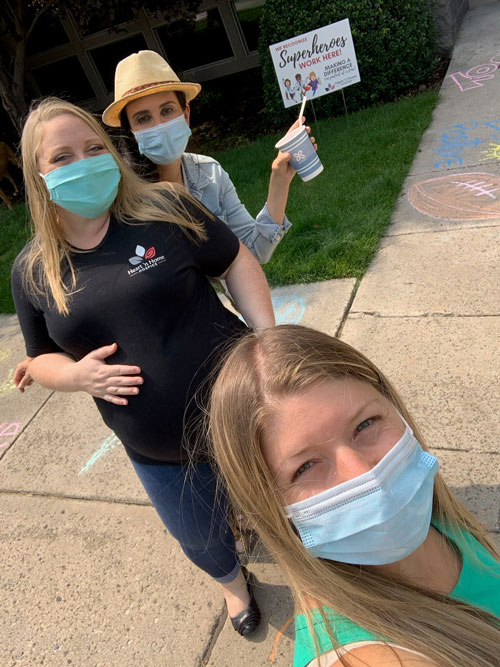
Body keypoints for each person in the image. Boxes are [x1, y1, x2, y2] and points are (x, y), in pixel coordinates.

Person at [11, 97, 276, 637]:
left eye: (93, 148)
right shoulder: (33, 270)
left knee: (277, 494)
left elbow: (236, 261)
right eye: (62, 157)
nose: (82, 162)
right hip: (158, 451)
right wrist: (76, 376)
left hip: (242, 408)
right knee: (200, 536)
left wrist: (270, 341)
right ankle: (233, 585)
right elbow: (38, 358)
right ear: (39, 177)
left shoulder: (167, 207)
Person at [208, 325, 500, 666]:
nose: (364, 474)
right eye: (305, 467)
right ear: (273, 506)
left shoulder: (434, 517)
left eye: (365, 424)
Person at [101, 50, 316, 264]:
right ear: (131, 132)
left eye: (167, 111)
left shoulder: (210, 173)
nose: (159, 126)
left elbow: (253, 251)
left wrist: (279, 179)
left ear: (186, 114)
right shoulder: (121, 200)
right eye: (143, 118)